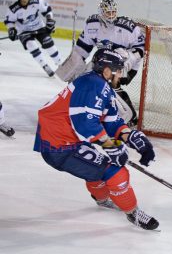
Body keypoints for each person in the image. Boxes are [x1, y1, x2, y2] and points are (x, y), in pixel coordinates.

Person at [34, 49, 159, 230]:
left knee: (98, 167)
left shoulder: (99, 85)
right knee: (116, 172)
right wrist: (111, 145)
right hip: (59, 146)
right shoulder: (93, 85)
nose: (120, 74)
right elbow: (85, 124)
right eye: (117, 69)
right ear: (107, 70)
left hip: (64, 141)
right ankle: (133, 213)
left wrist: (130, 136)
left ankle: (102, 198)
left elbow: (111, 120)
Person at [56, 0, 144, 126]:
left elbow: (141, 47)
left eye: (113, 12)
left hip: (127, 65)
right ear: (101, 13)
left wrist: (129, 58)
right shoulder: (92, 24)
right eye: (108, 12)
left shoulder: (127, 27)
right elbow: (83, 48)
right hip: (104, 63)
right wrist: (75, 65)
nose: (111, 15)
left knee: (108, 83)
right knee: (84, 77)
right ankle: (89, 109)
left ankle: (130, 116)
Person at [4, 0, 61, 77]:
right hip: (24, 31)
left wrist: (49, 19)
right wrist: (11, 29)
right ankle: (44, 65)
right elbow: (9, 21)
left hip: (39, 27)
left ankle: (60, 64)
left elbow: (47, 10)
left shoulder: (36, 1)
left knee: (48, 42)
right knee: (31, 45)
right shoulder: (13, 9)